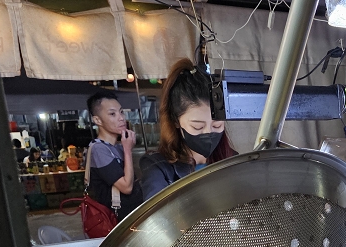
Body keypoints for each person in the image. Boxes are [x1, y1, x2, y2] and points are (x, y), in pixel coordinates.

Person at [140, 58, 237, 200]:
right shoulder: (158, 167)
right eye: (197, 126)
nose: (208, 132)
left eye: (217, 125)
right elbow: (157, 217)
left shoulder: (233, 159)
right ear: (176, 121)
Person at [86, 90, 142, 222]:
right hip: (116, 221)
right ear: (97, 120)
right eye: (112, 114)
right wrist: (128, 150)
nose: (121, 118)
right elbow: (126, 187)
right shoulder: (98, 149)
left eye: (121, 112)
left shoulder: (116, 147)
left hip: (129, 217)